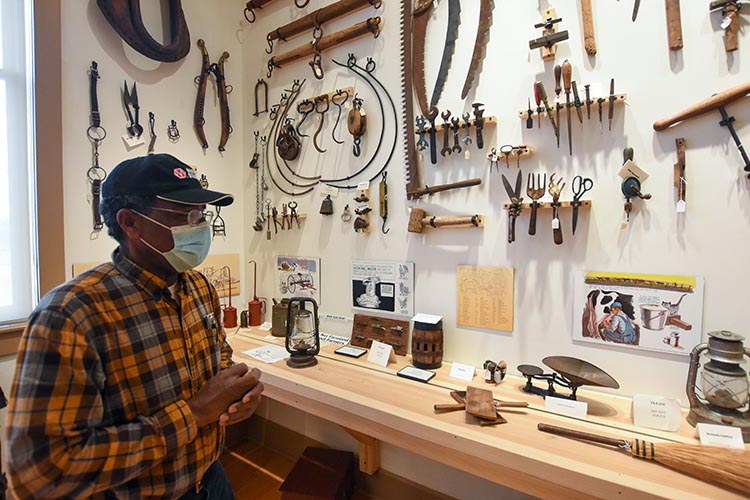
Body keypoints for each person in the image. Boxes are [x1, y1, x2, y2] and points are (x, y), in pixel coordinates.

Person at [5, 154, 264, 499]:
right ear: (130, 223)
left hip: (211, 480)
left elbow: (220, 362)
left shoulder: (199, 287)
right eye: (186, 216)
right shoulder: (70, 315)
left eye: (202, 215)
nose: (200, 226)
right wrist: (194, 413)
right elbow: (40, 472)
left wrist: (237, 394)